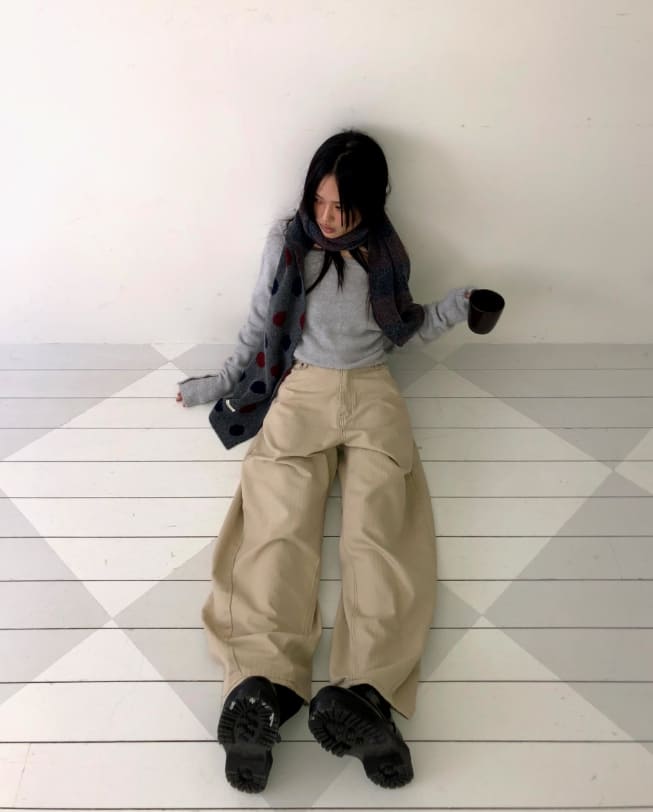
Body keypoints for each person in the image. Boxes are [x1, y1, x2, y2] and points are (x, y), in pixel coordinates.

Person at [176, 130, 473, 793]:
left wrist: (460, 308)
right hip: (303, 386)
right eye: (320, 200)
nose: (329, 217)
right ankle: (261, 685)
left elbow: (407, 327)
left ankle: (364, 693)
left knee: (383, 529)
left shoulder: (385, 252)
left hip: (372, 389)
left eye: (344, 206)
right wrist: (218, 384)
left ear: (373, 202)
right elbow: (259, 325)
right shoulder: (288, 243)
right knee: (276, 523)